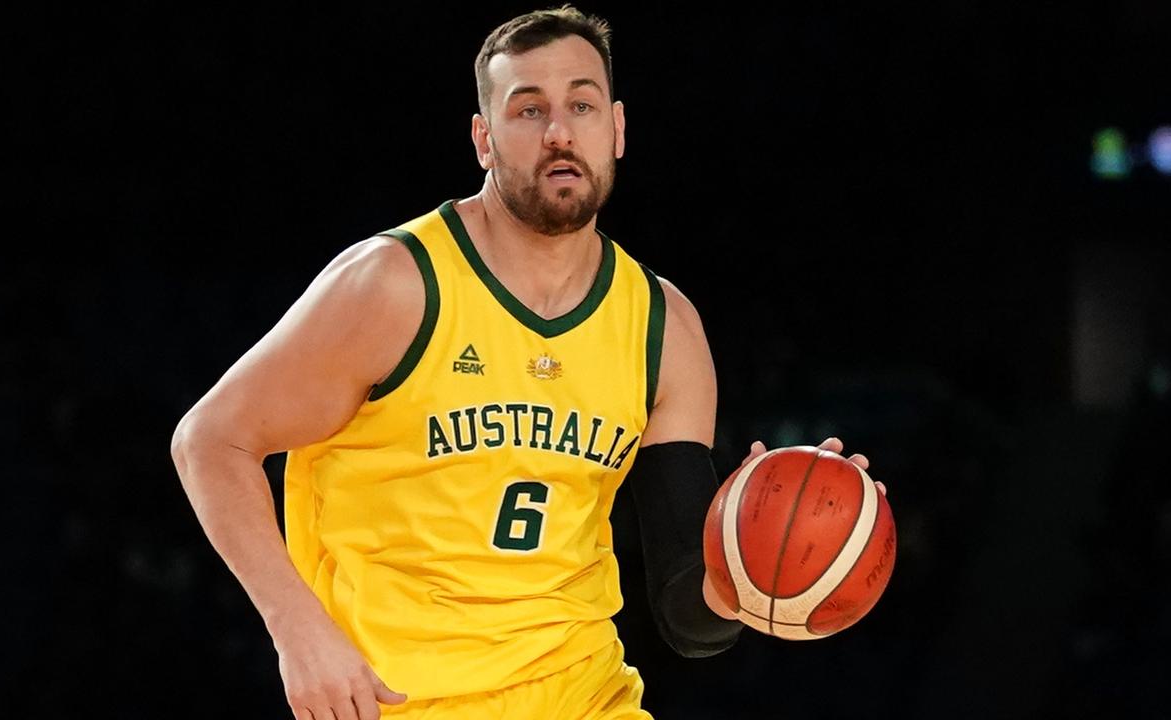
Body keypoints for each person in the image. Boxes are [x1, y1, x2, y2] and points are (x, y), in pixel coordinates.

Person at [171, 7, 875, 720]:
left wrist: (755, 553)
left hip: (585, 695)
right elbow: (210, 441)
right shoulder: (396, 286)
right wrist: (298, 631)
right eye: (528, 109)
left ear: (618, 129)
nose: (560, 131)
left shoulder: (663, 328)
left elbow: (690, 618)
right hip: (402, 701)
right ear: (483, 139)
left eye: (581, 103)